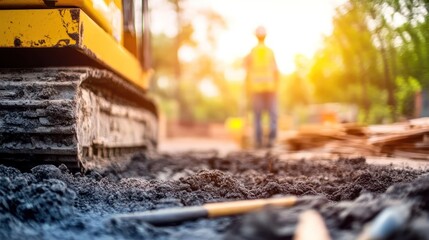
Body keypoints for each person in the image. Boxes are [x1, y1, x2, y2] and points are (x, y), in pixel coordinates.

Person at [244, 26, 280, 148]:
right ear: (265, 37)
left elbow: (246, 68)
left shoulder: (252, 52)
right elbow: (276, 70)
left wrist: (246, 87)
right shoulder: (270, 51)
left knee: (257, 115)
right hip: (270, 88)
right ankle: (271, 140)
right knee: (273, 114)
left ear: (256, 37)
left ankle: (258, 142)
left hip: (256, 89)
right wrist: (277, 85)